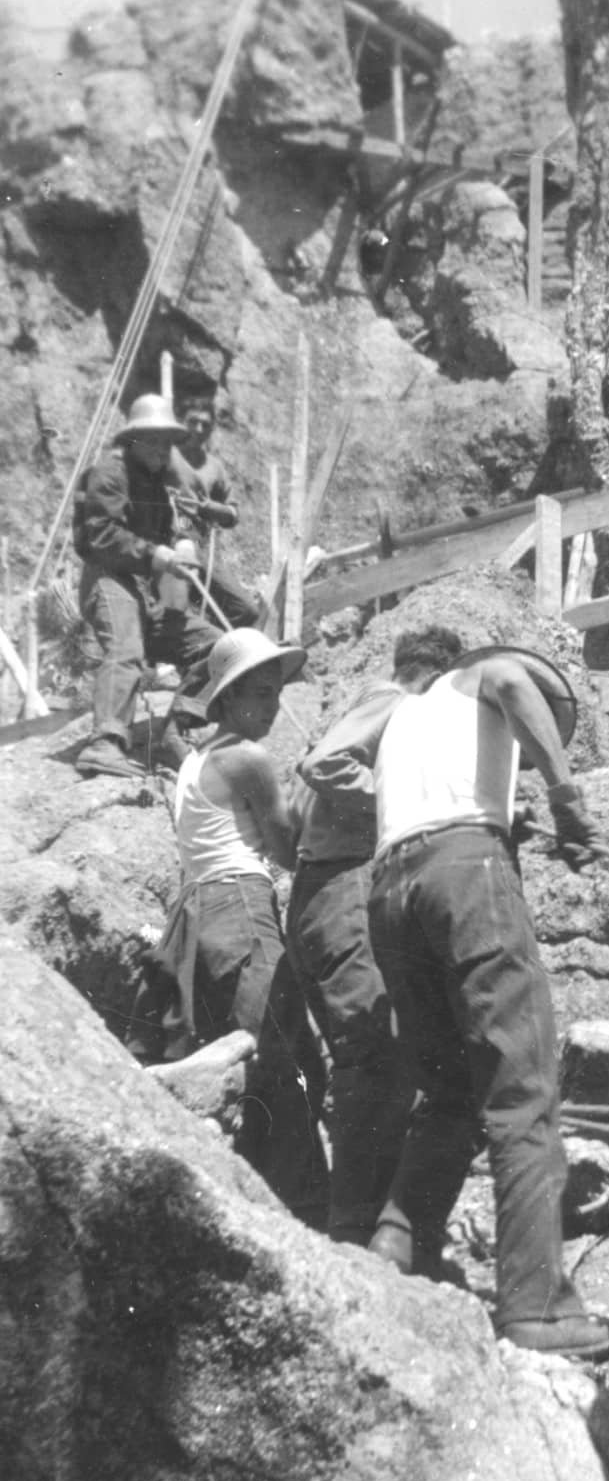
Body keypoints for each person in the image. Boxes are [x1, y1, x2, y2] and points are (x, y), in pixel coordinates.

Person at [298, 628, 609, 1361]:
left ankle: (395, 1242)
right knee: (521, 1089)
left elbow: (425, 804)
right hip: (465, 871)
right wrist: (566, 796)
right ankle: (537, 1307)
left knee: (449, 1094)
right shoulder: (487, 676)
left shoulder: (407, 716)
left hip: (390, 889)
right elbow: (513, 687)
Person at [139, 627, 328, 1223]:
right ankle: (305, 1213)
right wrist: (310, 795)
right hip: (241, 908)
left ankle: (260, 1202)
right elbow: (283, 849)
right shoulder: (247, 758)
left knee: (262, 1061)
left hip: (199, 918)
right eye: (262, 695)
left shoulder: (195, 762)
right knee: (284, 1062)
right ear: (228, 698)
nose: (273, 708)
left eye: (277, 695)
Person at [285, 634, 425, 1246]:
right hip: (340, 887)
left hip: (318, 890)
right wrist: (403, 794)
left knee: (366, 1058)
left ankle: (358, 1216)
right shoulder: (394, 702)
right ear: (431, 677)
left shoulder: (359, 709)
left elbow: (297, 806)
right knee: (373, 1057)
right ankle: (354, 1228)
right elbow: (322, 766)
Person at [73, 394, 221, 779]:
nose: (161, 449)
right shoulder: (108, 473)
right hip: (106, 578)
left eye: (166, 441)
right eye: (152, 440)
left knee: (216, 645)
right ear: (133, 440)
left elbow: (165, 536)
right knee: (126, 648)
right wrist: (157, 554)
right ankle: (105, 743)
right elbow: (101, 537)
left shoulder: (156, 485)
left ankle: (176, 728)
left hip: (140, 590)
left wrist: (178, 554)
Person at [169, 399, 262, 633]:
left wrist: (209, 508)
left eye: (205, 425)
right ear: (180, 422)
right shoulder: (165, 456)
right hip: (168, 548)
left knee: (245, 609)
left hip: (202, 549)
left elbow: (233, 514)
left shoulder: (215, 467)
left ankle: (212, 648)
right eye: (193, 422)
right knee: (173, 617)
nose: (199, 430)